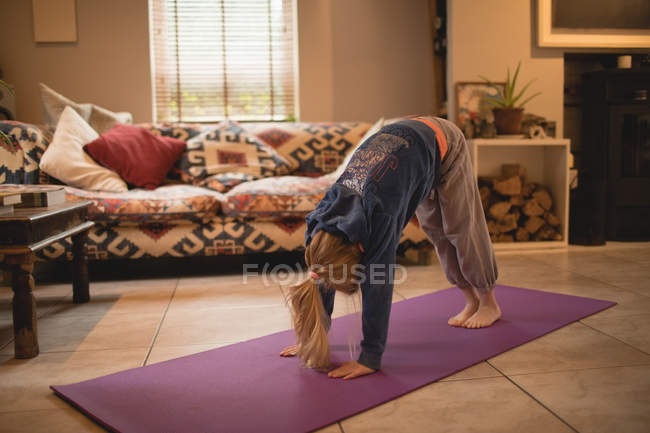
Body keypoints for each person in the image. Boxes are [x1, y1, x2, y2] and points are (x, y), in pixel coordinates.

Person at [280, 116, 500, 380]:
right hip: (406, 153)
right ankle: (470, 300)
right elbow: (321, 276)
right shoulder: (318, 227)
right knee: (437, 231)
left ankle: (488, 302)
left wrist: (370, 357)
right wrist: (312, 337)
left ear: (361, 250)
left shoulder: (379, 216)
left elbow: (378, 286)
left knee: (460, 227)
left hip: (443, 141)